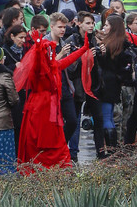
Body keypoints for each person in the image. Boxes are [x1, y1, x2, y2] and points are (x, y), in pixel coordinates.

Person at [16, 29, 89, 171]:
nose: (52, 53)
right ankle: (42, 170)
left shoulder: (53, 66)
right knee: (40, 142)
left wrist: (84, 49)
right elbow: (37, 62)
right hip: (40, 111)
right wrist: (37, 46)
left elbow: (68, 60)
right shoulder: (38, 70)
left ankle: (55, 169)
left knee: (57, 141)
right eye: (49, 51)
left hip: (51, 111)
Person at [65, 11, 105, 160]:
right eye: (88, 23)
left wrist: (101, 54)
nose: (91, 26)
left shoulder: (94, 38)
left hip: (93, 85)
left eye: (93, 23)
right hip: (78, 85)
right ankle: (72, 153)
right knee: (74, 120)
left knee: (98, 118)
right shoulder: (72, 40)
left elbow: (98, 66)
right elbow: (70, 67)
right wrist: (85, 57)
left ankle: (100, 152)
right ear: (79, 23)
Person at [96, 15, 135, 152]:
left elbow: (107, 65)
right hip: (114, 85)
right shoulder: (120, 43)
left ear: (113, 27)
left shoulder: (109, 45)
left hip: (107, 84)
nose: (104, 28)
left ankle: (112, 149)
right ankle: (113, 149)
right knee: (111, 117)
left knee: (107, 116)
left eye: (106, 25)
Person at [43, 13, 78, 144]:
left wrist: (73, 59)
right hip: (50, 91)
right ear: (52, 27)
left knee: (72, 121)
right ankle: (55, 148)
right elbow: (46, 67)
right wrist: (62, 54)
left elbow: (70, 70)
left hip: (65, 88)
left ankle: (60, 145)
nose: (63, 30)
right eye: (60, 27)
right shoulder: (45, 43)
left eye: (64, 27)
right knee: (52, 124)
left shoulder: (64, 42)